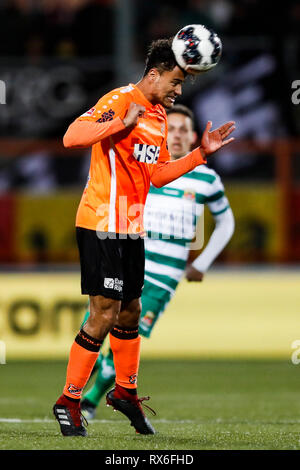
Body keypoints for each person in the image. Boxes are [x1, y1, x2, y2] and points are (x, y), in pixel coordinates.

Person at [53, 38, 236, 437]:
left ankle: (125, 392)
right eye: (175, 81)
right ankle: (69, 400)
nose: (179, 90)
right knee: (102, 314)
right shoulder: (121, 99)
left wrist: (201, 154)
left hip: (132, 227)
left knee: (130, 311)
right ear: (154, 74)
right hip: (102, 222)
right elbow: (71, 136)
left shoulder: (157, 117)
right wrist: (120, 123)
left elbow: (156, 175)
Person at [80, 104, 235, 420]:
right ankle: (82, 389)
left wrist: (202, 263)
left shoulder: (206, 179)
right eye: (171, 128)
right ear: (162, 133)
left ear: (192, 137)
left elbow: (226, 221)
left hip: (163, 277)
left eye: (182, 130)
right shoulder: (142, 167)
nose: (175, 135)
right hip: (125, 263)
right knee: (94, 328)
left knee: (128, 335)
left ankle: (91, 401)